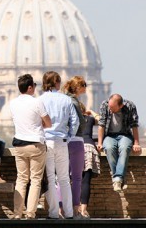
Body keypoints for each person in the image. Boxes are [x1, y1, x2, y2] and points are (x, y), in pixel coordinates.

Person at [10, 74, 52, 220]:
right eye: (34, 85)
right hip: (36, 145)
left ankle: (16, 213)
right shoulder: (37, 103)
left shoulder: (12, 103)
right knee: (35, 180)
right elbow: (48, 123)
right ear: (29, 87)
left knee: (21, 179)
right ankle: (30, 213)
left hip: (19, 146)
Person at [39, 71, 78, 219]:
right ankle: (68, 213)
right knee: (64, 179)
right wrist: (68, 137)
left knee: (50, 177)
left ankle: (54, 213)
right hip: (62, 142)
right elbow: (75, 122)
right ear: (56, 83)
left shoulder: (40, 100)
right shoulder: (66, 100)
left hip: (47, 142)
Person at [97, 93, 141, 192]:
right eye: (110, 107)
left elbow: (134, 125)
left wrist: (136, 143)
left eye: (113, 108)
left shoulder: (130, 106)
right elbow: (101, 124)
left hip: (125, 134)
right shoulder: (105, 105)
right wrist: (100, 143)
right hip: (109, 135)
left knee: (124, 148)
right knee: (108, 148)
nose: (110, 110)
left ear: (121, 106)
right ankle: (121, 178)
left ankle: (117, 179)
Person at [63, 76, 88, 218]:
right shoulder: (74, 102)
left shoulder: (62, 99)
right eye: (84, 85)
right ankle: (74, 209)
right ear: (78, 87)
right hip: (76, 140)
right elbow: (80, 122)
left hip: (62, 141)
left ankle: (61, 209)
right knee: (77, 178)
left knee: (62, 177)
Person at [80, 104, 100, 219]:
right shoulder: (89, 119)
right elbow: (101, 120)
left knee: (74, 181)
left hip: (74, 147)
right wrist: (91, 112)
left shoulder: (72, 119)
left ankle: (74, 209)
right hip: (88, 147)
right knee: (86, 181)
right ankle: (83, 210)